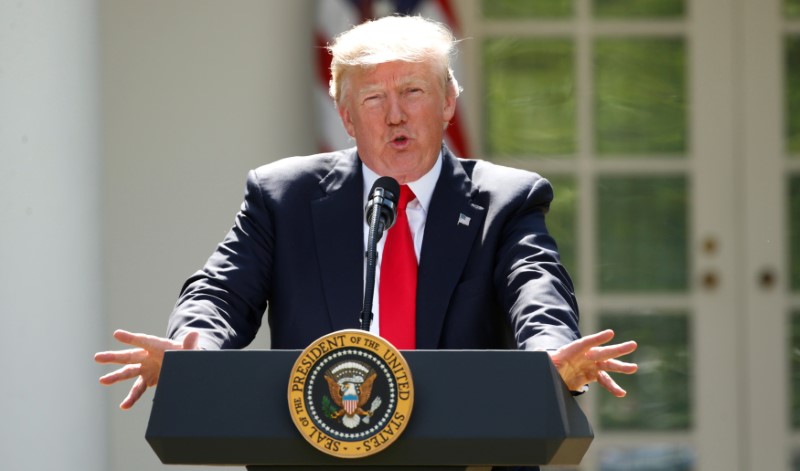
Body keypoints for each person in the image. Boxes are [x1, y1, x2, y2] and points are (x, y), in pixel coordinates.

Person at [96, 16, 637, 416]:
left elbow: (536, 289)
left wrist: (549, 355)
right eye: (374, 98)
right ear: (346, 116)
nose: (396, 114)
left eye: (413, 92)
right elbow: (220, 293)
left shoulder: (506, 199)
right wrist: (197, 346)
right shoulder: (282, 196)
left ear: (449, 101)